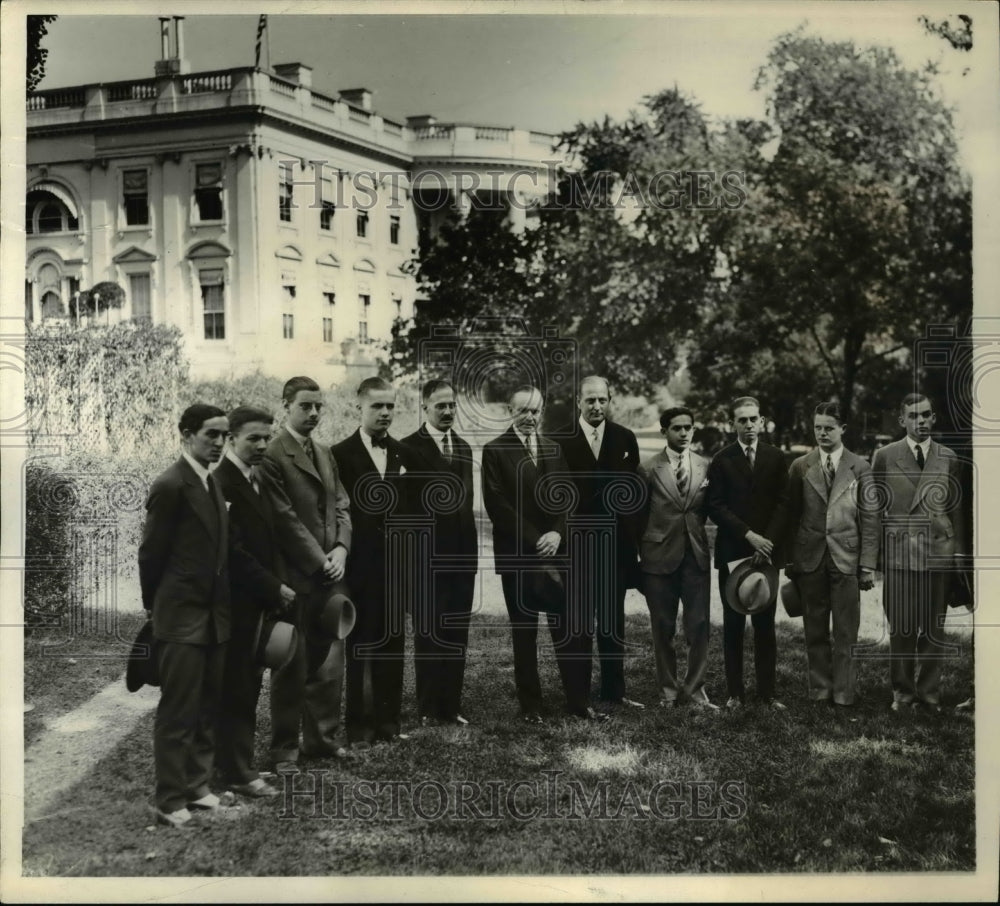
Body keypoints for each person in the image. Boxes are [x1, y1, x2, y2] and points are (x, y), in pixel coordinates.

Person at [482, 385, 603, 723]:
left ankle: (578, 702)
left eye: (535, 411)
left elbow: (567, 497)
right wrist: (538, 538)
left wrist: (556, 533)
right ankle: (531, 706)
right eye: (523, 411)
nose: (530, 417)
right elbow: (497, 505)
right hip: (519, 556)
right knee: (525, 633)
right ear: (510, 410)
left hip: (557, 554)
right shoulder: (494, 451)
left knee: (569, 630)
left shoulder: (553, 447)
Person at [138, 404, 231, 828]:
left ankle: (198, 786)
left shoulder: (210, 481)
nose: (219, 442)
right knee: (178, 709)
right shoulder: (171, 484)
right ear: (187, 434)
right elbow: (151, 554)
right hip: (180, 618)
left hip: (213, 617)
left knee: (208, 703)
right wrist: (158, 609)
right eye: (211, 434)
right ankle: (169, 799)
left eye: (224, 435)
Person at [261, 377, 352, 771]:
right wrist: (321, 559)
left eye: (318, 406)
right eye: (305, 406)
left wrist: (342, 549)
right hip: (294, 577)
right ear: (286, 406)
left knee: (330, 661)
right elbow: (284, 520)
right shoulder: (271, 455)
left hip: (331, 576)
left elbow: (344, 506)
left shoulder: (325, 452)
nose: (313, 413)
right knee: (290, 664)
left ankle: (323, 740)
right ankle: (284, 750)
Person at [212, 406, 304, 798]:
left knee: (247, 685)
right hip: (234, 603)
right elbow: (232, 553)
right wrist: (273, 587)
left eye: (267, 437)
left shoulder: (255, 478)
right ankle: (235, 771)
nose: (263, 445)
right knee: (236, 688)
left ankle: (237, 767)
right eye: (253, 438)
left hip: (258, 603)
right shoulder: (222, 483)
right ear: (231, 439)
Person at [871, 393, 967, 711]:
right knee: (901, 627)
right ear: (902, 421)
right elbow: (873, 510)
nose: (921, 421)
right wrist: (872, 558)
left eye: (926, 415)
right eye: (914, 416)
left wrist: (958, 555)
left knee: (933, 628)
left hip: (939, 553)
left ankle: (929, 693)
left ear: (934, 417)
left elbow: (957, 511)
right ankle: (902, 692)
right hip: (899, 554)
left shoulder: (948, 457)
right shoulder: (884, 456)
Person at [331, 377, 410, 746]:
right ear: (359, 407)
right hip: (359, 568)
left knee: (393, 644)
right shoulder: (339, 454)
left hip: (396, 570)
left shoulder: (400, 451)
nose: (384, 413)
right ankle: (359, 728)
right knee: (361, 646)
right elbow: (336, 513)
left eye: (390, 406)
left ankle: (388, 724)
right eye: (377, 406)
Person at [784, 402, 880, 707]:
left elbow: (871, 518)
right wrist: (791, 561)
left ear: (843, 429)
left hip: (847, 558)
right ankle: (820, 690)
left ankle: (844, 693)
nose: (822, 433)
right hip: (810, 557)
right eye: (818, 428)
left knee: (846, 631)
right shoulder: (800, 466)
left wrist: (867, 565)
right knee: (814, 627)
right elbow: (791, 515)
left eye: (829, 427)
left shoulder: (860, 467)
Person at [557, 376, 644, 709]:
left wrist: (633, 546)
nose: (596, 406)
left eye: (602, 400)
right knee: (578, 625)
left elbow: (634, 497)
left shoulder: (625, 438)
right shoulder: (559, 440)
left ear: (610, 401)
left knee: (612, 622)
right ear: (578, 401)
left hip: (615, 548)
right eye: (590, 400)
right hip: (575, 547)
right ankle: (578, 695)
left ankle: (614, 691)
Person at [400, 380, 477, 726]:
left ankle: (452, 705)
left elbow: (465, 507)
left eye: (451, 405)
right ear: (425, 407)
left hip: (461, 559)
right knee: (429, 634)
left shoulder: (462, 447)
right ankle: (429, 708)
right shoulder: (407, 448)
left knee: (456, 633)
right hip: (425, 561)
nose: (447, 411)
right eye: (440, 406)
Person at [707, 395, 789, 709]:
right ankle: (735, 692)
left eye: (754, 419)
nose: (749, 425)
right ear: (733, 424)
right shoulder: (722, 459)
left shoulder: (776, 457)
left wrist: (766, 541)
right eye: (742, 420)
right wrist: (748, 535)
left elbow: (784, 503)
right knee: (733, 623)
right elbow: (715, 506)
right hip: (734, 551)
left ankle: (767, 693)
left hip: (767, 553)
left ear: (762, 421)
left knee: (765, 625)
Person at [637, 406, 717, 709]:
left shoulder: (704, 466)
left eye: (688, 428)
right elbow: (637, 517)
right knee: (663, 627)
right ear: (664, 432)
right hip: (658, 558)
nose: (683, 433)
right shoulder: (648, 469)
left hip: (695, 556)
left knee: (698, 627)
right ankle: (668, 691)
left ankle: (696, 691)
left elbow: (706, 508)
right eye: (676, 428)